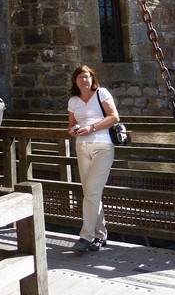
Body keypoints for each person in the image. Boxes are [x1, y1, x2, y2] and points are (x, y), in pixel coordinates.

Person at [67, 65, 121, 253]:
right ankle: (100, 235)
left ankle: (85, 236)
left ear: (92, 79)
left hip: (102, 146)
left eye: (87, 77)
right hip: (82, 146)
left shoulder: (102, 93)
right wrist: (74, 131)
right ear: (75, 80)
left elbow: (114, 117)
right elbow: (72, 125)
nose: (84, 80)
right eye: (80, 77)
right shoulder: (73, 101)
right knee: (91, 193)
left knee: (91, 191)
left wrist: (92, 128)